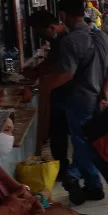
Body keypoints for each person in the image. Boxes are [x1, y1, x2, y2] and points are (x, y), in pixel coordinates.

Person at [37, 0, 108, 206]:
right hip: (102, 99)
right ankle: (83, 177)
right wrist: (105, 91)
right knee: (96, 142)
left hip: (80, 100)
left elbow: (66, 74)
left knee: (82, 143)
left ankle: (93, 186)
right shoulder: (102, 37)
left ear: (62, 15)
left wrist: (42, 86)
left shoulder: (71, 41)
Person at [27, 11, 71, 178]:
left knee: (59, 130)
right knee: (58, 131)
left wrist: (37, 88)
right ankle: (62, 166)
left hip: (65, 90)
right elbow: (52, 61)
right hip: (59, 90)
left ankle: (64, 170)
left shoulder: (65, 41)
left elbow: (63, 70)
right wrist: (37, 71)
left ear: (51, 27)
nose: (40, 37)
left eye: (40, 32)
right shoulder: (57, 39)